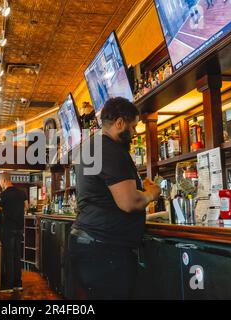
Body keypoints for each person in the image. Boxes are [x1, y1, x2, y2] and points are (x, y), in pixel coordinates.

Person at [67, 97, 161, 300]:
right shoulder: (111, 149)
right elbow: (129, 202)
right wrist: (151, 194)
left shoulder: (92, 145)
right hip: (104, 249)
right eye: (133, 126)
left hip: (90, 243)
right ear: (120, 123)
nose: (135, 133)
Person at [0, 172, 28, 293]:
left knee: (8, 256)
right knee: (16, 256)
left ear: (4, 180)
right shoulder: (22, 193)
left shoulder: (3, 195)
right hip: (19, 228)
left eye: (0, 182)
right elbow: (26, 206)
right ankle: (18, 284)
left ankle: (8, 285)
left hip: (8, 229)